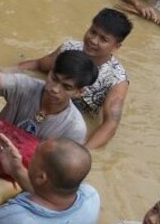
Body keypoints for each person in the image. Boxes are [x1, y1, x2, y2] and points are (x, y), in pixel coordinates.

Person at [17, 9, 133, 149]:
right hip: (46, 105)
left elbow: (111, 124)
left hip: (72, 123)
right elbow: (38, 64)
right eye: (93, 32)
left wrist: (82, 151)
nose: (93, 40)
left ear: (117, 46)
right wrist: (3, 71)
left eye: (103, 39)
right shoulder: (69, 49)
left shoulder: (117, 79)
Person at [0, 49, 98, 144]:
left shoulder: (74, 128)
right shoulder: (25, 86)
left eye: (67, 87)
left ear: (80, 92)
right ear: (50, 71)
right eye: (54, 78)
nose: (54, 89)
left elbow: (56, 170)